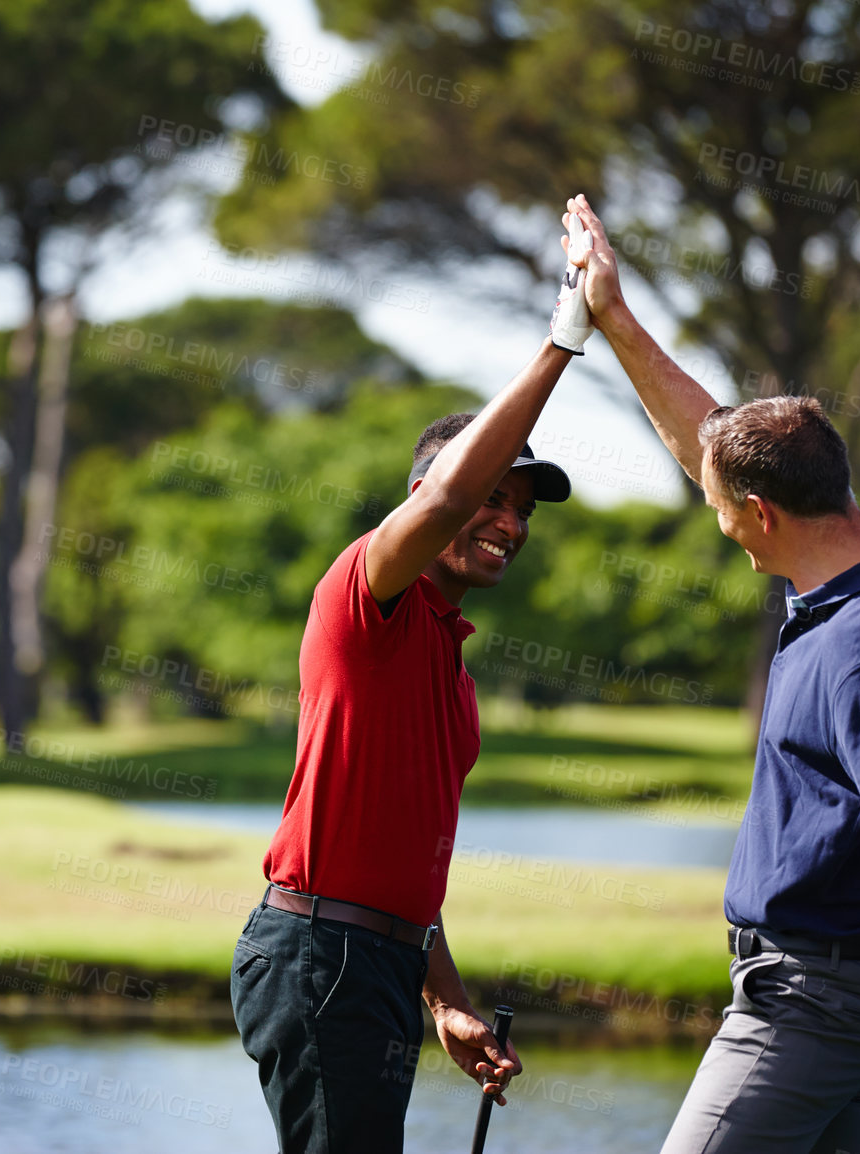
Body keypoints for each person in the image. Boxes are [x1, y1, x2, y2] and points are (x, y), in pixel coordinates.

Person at [562, 193, 860, 1154]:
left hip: (814, 1001)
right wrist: (614, 318)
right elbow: (708, 442)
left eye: (723, 510)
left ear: (762, 512)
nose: (714, 519)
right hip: (828, 990)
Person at [230, 275, 591, 1151]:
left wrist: (447, 1001)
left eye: (523, 508)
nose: (510, 522)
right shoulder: (367, 595)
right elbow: (437, 505)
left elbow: (402, 866)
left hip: (381, 963)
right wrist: (565, 342)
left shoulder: (452, 667)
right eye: (493, 496)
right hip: (321, 956)